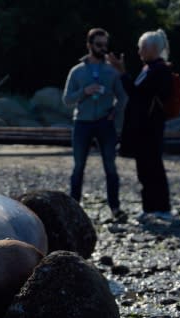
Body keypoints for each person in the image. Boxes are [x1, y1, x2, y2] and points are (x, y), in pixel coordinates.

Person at [63, 28, 128, 222]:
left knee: (110, 167)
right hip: (82, 123)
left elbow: (124, 97)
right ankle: (74, 208)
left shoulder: (112, 71)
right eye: (99, 44)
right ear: (89, 45)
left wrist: (115, 113)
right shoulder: (77, 71)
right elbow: (67, 99)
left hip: (104, 124)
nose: (103, 48)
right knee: (78, 167)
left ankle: (115, 208)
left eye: (105, 45)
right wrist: (85, 91)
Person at [107, 29, 173, 219]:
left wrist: (122, 73)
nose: (139, 52)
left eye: (141, 47)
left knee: (152, 168)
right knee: (145, 168)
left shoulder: (160, 70)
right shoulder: (150, 68)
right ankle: (151, 207)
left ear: (153, 48)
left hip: (150, 129)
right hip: (144, 129)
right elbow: (138, 95)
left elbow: (138, 96)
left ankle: (161, 208)